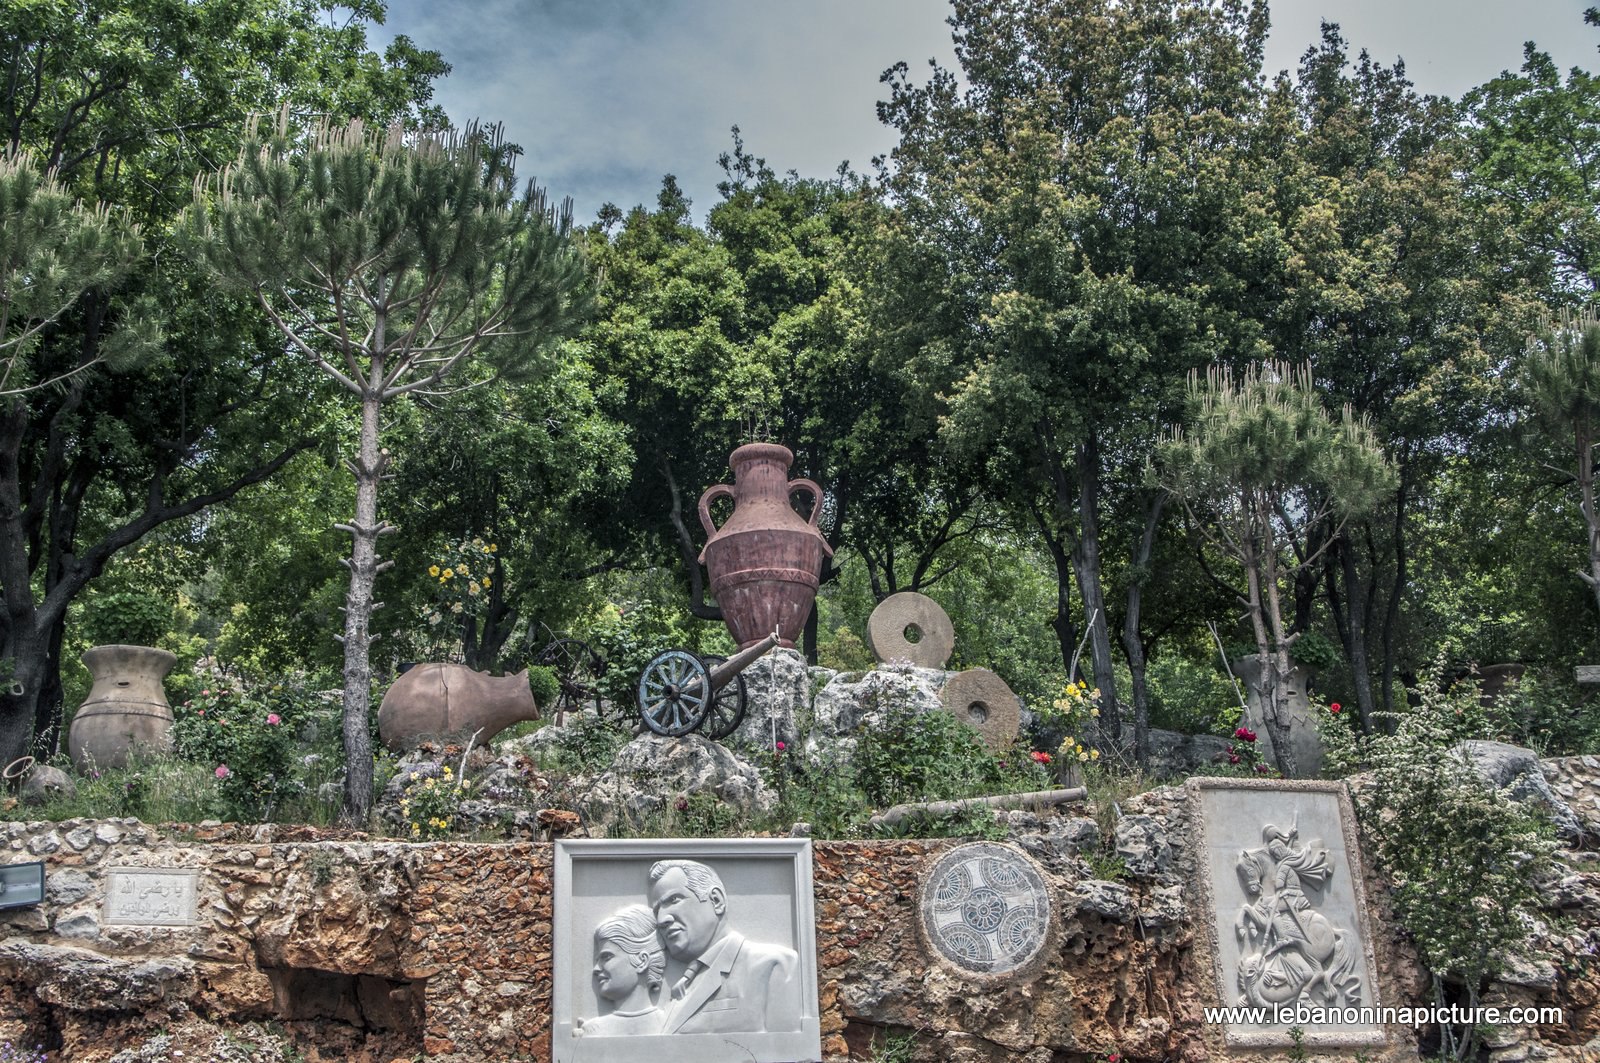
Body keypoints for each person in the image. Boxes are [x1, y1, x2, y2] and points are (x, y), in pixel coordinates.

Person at [646, 858, 802, 1035]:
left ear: (716, 900)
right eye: (657, 910)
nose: (661, 919)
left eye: (674, 900)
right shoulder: (680, 986)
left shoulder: (773, 966)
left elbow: (788, 1050)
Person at [575, 904, 666, 1037]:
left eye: (606, 957)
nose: (596, 969)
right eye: (597, 960)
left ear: (642, 961)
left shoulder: (669, 1024)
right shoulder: (591, 1031)